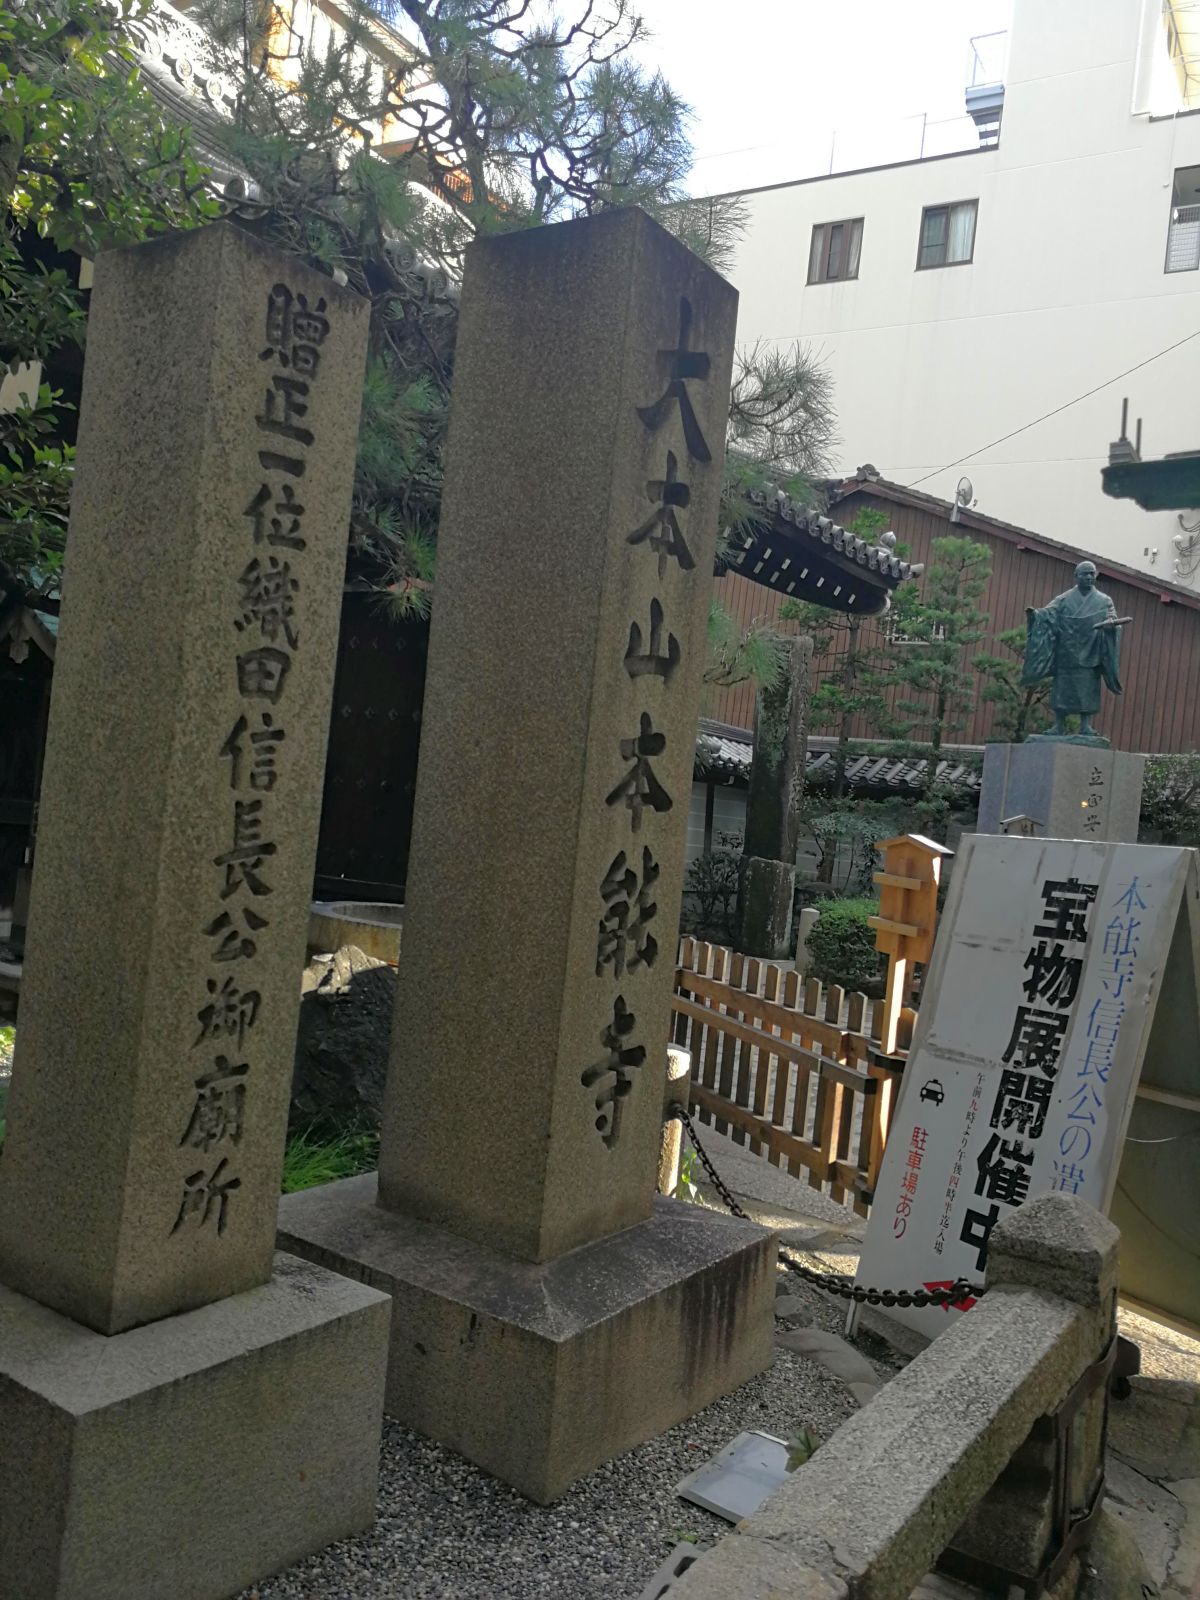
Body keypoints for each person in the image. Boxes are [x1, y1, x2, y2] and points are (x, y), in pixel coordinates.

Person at [1023, 562, 1125, 738]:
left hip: (1090, 651)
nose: (1089, 577)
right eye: (1084, 574)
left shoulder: (1104, 600)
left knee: (1088, 689)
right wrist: (1036, 615)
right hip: (1067, 652)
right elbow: (1049, 613)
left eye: (1092, 574)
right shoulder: (1064, 599)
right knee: (1062, 690)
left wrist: (1110, 626)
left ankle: (1086, 725)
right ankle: (1058, 725)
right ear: (1076, 576)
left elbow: (1112, 619)